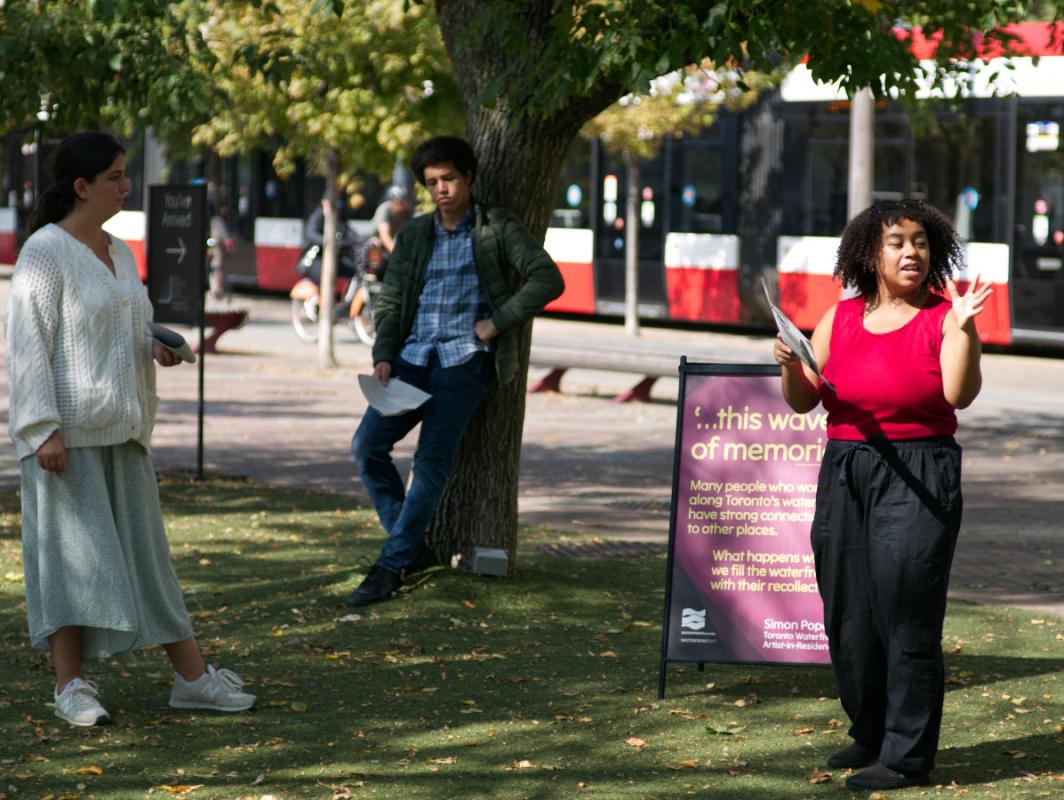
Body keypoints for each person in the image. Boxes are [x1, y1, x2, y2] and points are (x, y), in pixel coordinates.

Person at [5, 132, 255, 728]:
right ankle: (72, 688)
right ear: (82, 186)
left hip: (124, 430)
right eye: (115, 176)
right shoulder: (45, 250)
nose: (125, 184)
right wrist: (42, 431)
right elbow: (28, 346)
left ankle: (192, 680)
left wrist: (155, 348)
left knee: (148, 562)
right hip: (66, 438)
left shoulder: (120, 252)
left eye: (125, 173)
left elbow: (126, 330)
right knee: (71, 564)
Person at [773, 199, 991, 791]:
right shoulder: (838, 319)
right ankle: (868, 730)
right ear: (871, 253)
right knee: (848, 612)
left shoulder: (944, 318)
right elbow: (804, 399)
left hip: (920, 469)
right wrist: (791, 364)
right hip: (846, 466)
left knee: (906, 615)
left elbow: (959, 392)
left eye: (920, 242)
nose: (911, 252)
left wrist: (966, 330)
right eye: (897, 242)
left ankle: (905, 757)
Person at [346, 135, 564, 607]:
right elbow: (395, 300)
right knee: (367, 446)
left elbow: (548, 278)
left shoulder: (496, 227)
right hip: (412, 360)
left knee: (429, 465)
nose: (441, 189)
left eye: (449, 179)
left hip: (466, 363)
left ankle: (389, 567)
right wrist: (383, 353)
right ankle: (412, 548)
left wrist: (498, 321)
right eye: (432, 182)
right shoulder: (415, 234)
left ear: (467, 177)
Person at [370, 185, 413, 255]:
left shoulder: (407, 212)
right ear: (391, 201)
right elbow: (384, 235)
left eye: (403, 202)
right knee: (375, 245)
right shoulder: (384, 209)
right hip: (378, 242)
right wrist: (396, 253)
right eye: (397, 203)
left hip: (394, 242)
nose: (400, 206)